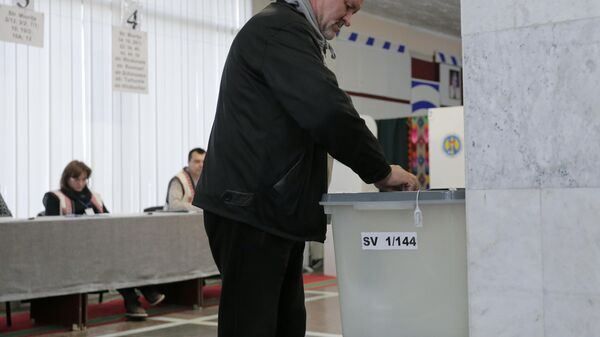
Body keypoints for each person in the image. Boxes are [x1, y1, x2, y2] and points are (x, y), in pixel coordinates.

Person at [193, 0, 419, 336]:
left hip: (266, 209)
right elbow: (327, 110)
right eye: (349, 5)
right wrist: (380, 171)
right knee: (252, 326)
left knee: (286, 324)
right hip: (252, 210)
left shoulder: (289, 32)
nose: (350, 19)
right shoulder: (281, 31)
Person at [43, 160, 165, 320]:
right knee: (114, 260)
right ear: (67, 179)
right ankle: (141, 295)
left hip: (98, 247)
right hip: (71, 251)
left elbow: (108, 221)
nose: (80, 183)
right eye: (76, 179)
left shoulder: (94, 198)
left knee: (122, 254)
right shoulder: (54, 197)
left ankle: (134, 302)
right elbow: (50, 229)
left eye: (84, 179)